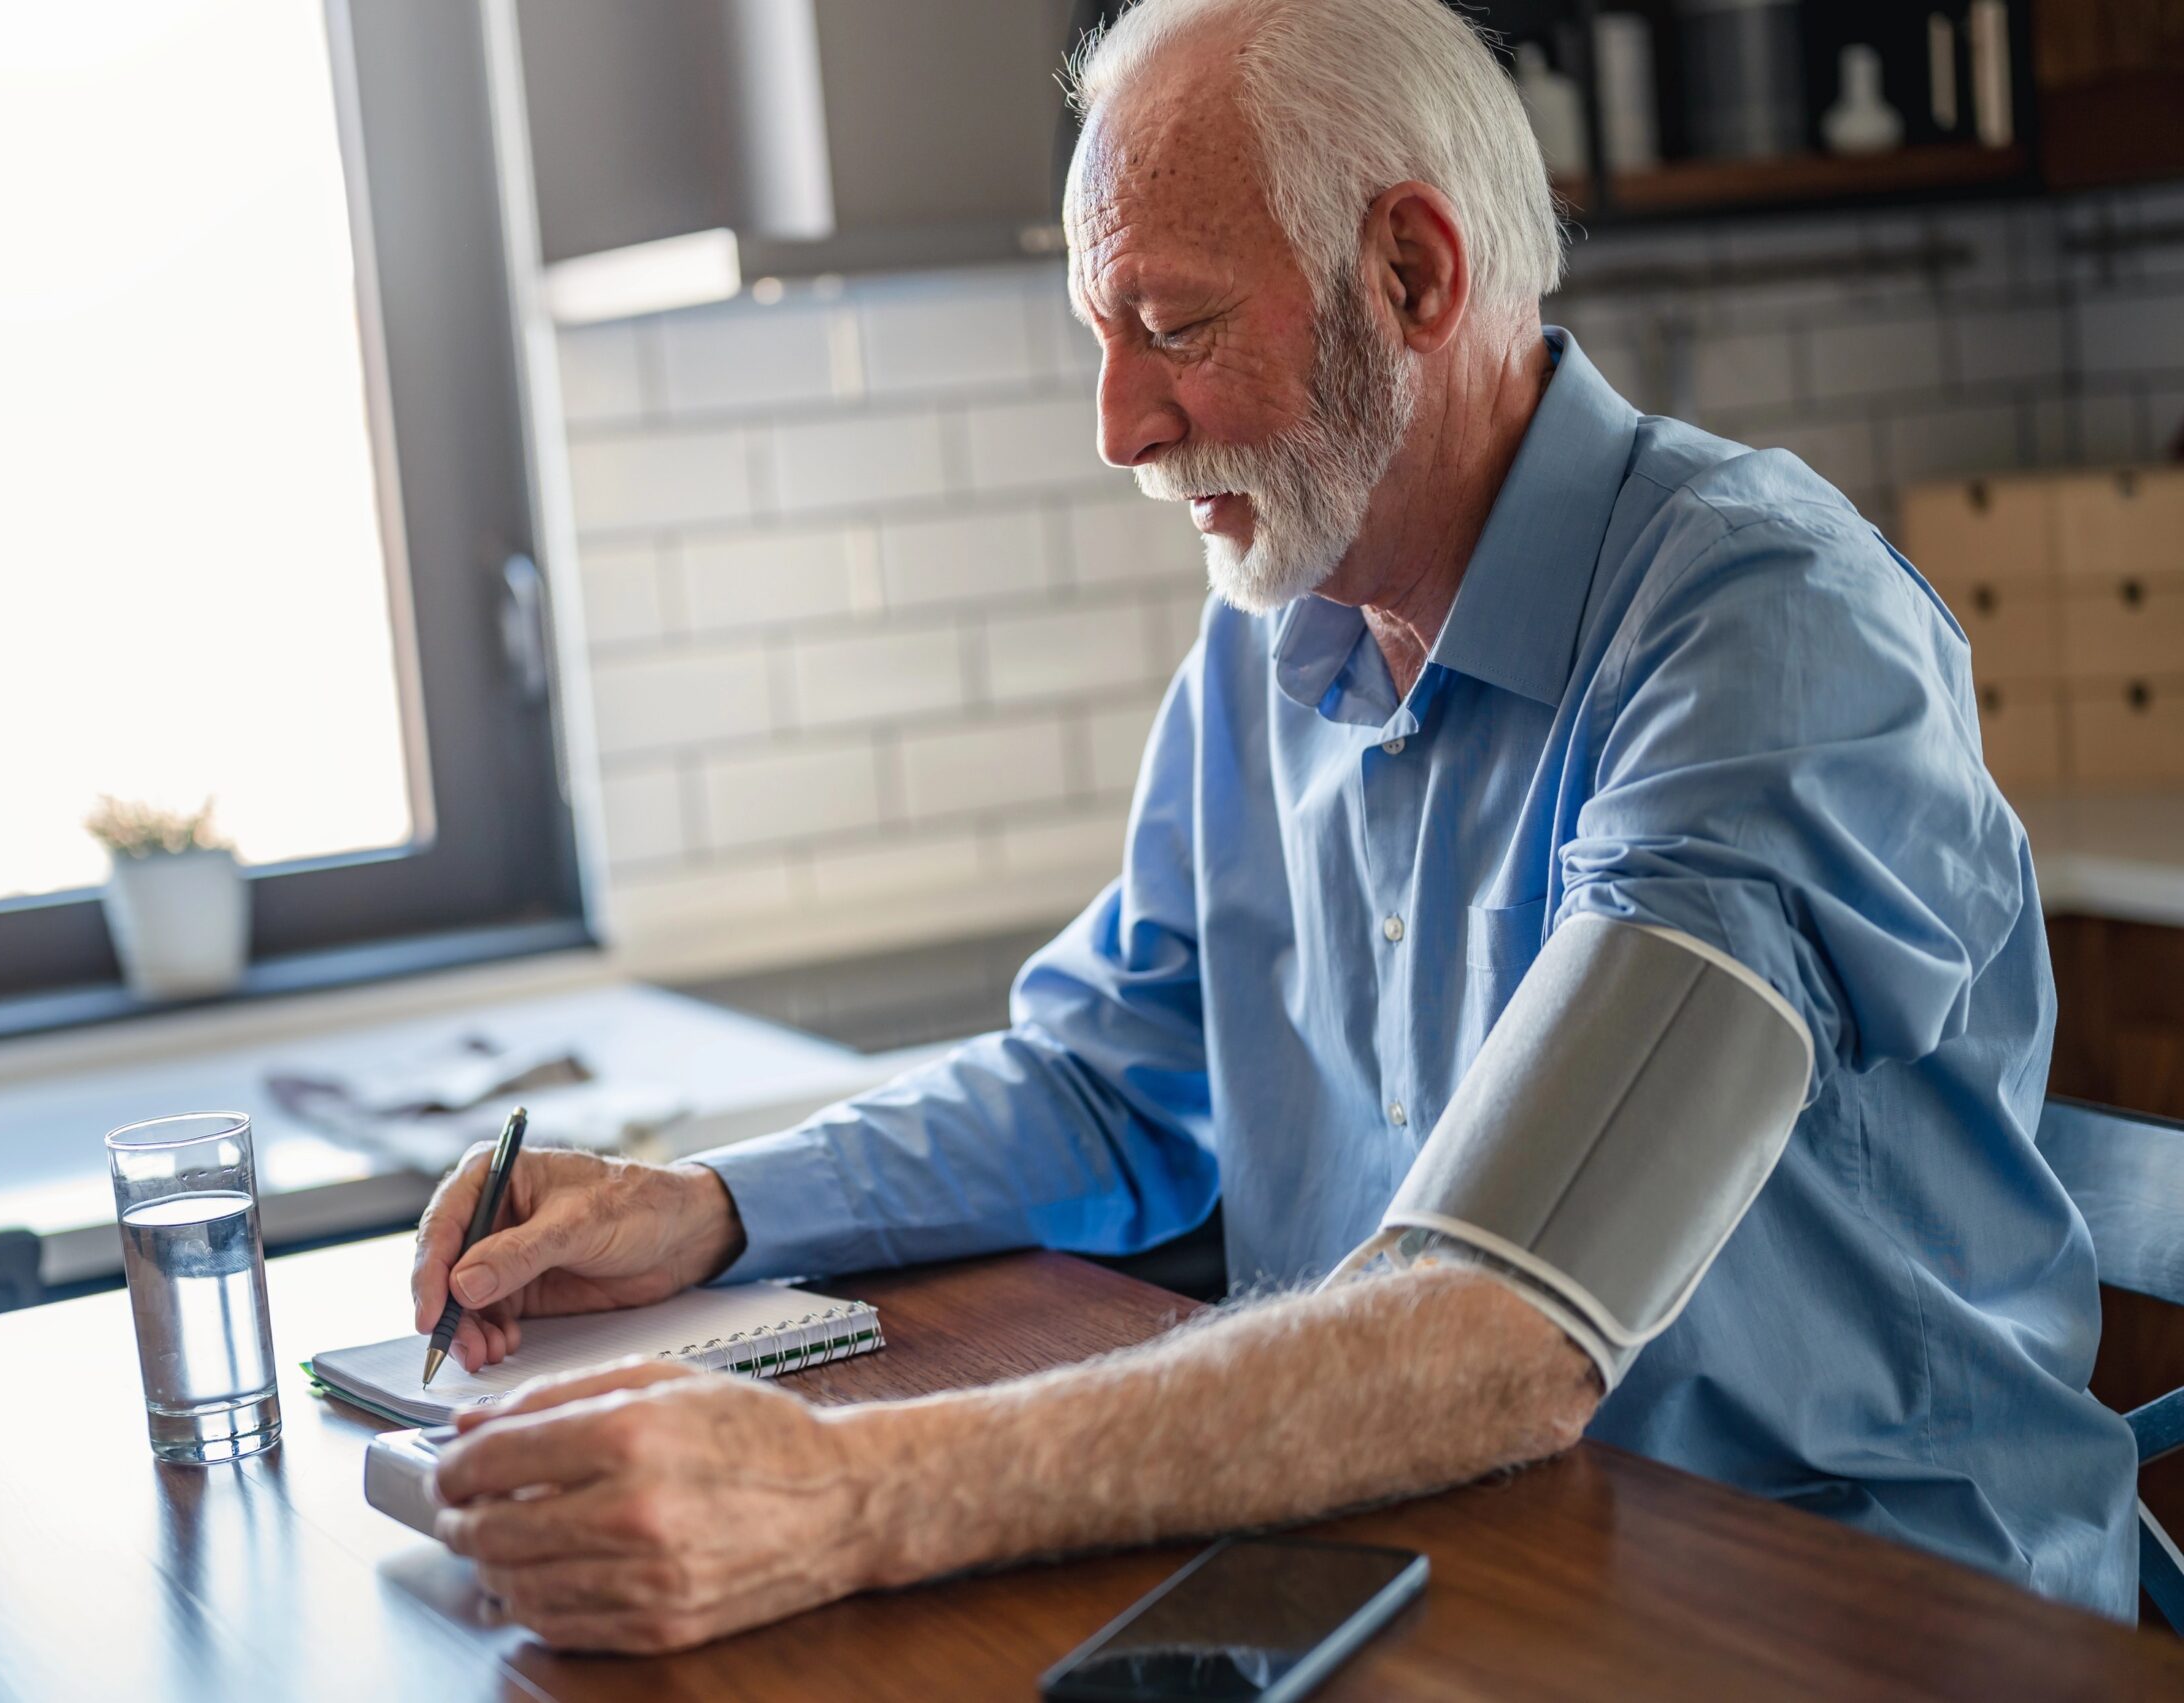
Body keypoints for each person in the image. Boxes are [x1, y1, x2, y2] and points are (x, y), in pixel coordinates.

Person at [406, 0, 2137, 1653]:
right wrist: (708, 1207)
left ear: (1411, 274)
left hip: (1860, 1613)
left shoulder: (1764, 625)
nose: (1119, 425)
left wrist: (841, 1497)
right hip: (1456, 1562)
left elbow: (1501, 1329)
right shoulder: (1272, 641)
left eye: (1171, 327)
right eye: (1101, 337)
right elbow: (1105, 1086)